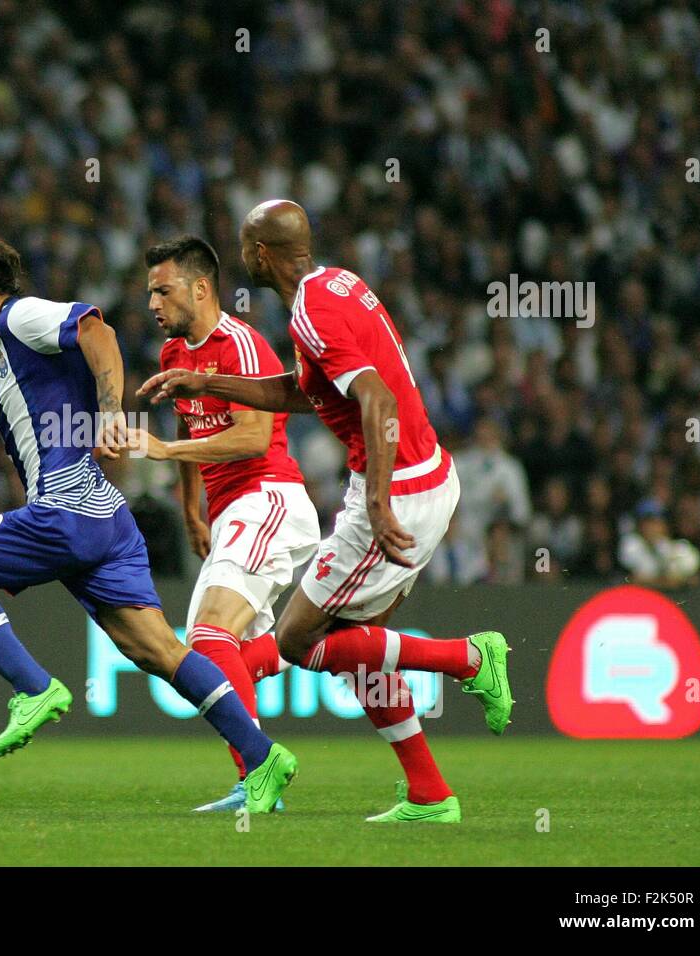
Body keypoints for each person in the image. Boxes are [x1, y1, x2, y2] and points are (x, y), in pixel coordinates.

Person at [0, 234, 297, 813]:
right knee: (160, 652)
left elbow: (96, 330)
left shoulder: (22, 316)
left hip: (65, 508)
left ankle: (34, 689)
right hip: (106, 518)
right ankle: (263, 756)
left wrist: (108, 412)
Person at [140, 201, 512, 823]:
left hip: (398, 491)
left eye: (244, 246)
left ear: (260, 255)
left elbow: (376, 396)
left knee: (296, 639)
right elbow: (305, 392)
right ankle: (430, 793)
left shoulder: (309, 311)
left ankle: (470, 659)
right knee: (351, 647)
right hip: (428, 475)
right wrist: (209, 386)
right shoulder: (338, 286)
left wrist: (377, 497)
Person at [129, 236, 318, 812]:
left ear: (201, 288)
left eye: (163, 290)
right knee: (217, 647)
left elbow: (253, 437)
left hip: (269, 497)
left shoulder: (241, 344)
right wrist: (192, 508)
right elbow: (193, 427)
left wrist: (161, 453)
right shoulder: (172, 356)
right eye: (149, 294)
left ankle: (259, 769)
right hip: (232, 509)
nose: (153, 304)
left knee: (208, 640)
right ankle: (313, 644)